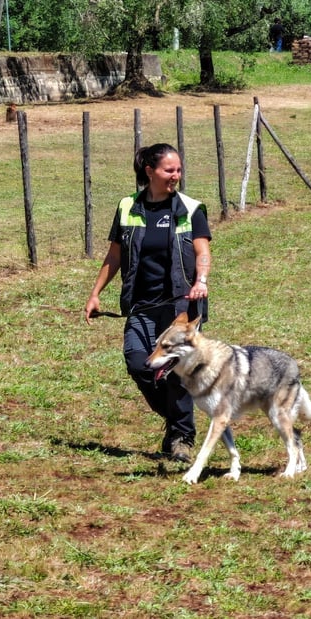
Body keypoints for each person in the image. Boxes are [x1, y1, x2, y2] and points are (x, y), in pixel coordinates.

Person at [84, 143, 212, 464]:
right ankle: (174, 420)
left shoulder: (190, 208)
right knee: (137, 362)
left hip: (179, 306)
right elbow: (114, 255)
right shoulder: (128, 207)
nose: (176, 176)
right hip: (141, 305)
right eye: (170, 170)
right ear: (150, 172)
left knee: (177, 371)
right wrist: (96, 292)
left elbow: (202, 252)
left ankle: (182, 438)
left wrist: (201, 281)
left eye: (179, 170)